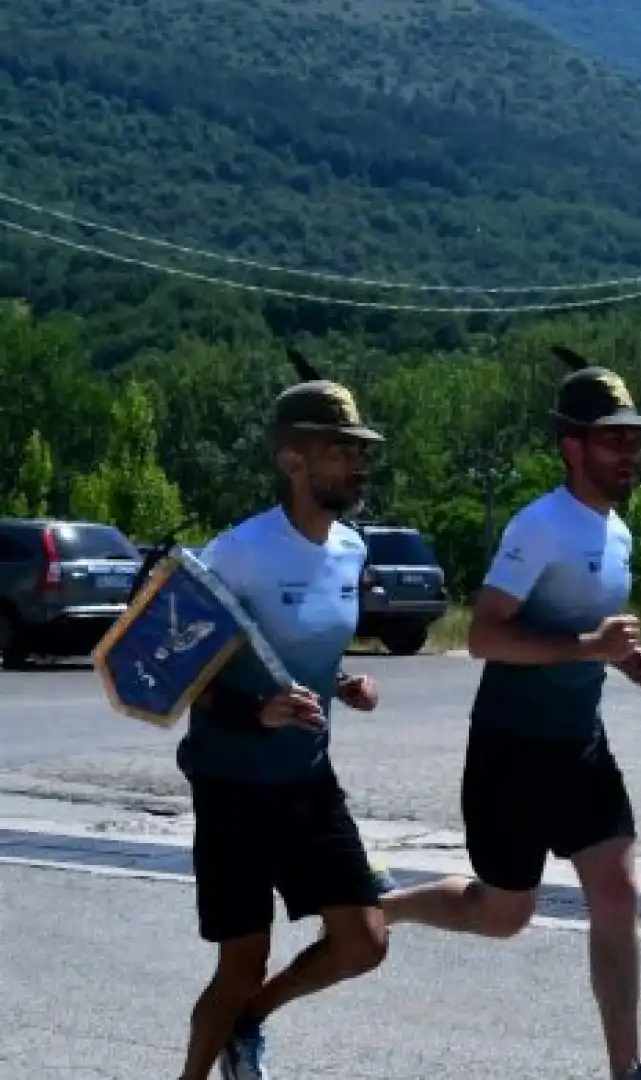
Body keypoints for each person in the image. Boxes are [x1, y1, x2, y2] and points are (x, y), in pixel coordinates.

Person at [380, 356, 641, 1080]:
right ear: (572, 447)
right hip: (511, 750)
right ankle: (387, 908)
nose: (629, 453)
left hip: (580, 743)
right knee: (503, 914)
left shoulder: (619, 533)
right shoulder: (538, 526)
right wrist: (591, 645)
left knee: (618, 889)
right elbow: (485, 634)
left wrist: (625, 661)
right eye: (614, 440)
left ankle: (627, 1070)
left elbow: (587, 634)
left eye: (634, 441)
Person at [176, 375, 390, 1080]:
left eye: (362, 452)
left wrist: (339, 682)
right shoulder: (237, 553)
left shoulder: (352, 551)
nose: (358, 465)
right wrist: (251, 710)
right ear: (291, 462)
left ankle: (250, 1023)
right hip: (233, 781)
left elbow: (284, 647)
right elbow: (178, 669)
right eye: (341, 451)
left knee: (364, 940)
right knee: (240, 962)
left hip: (307, 777)